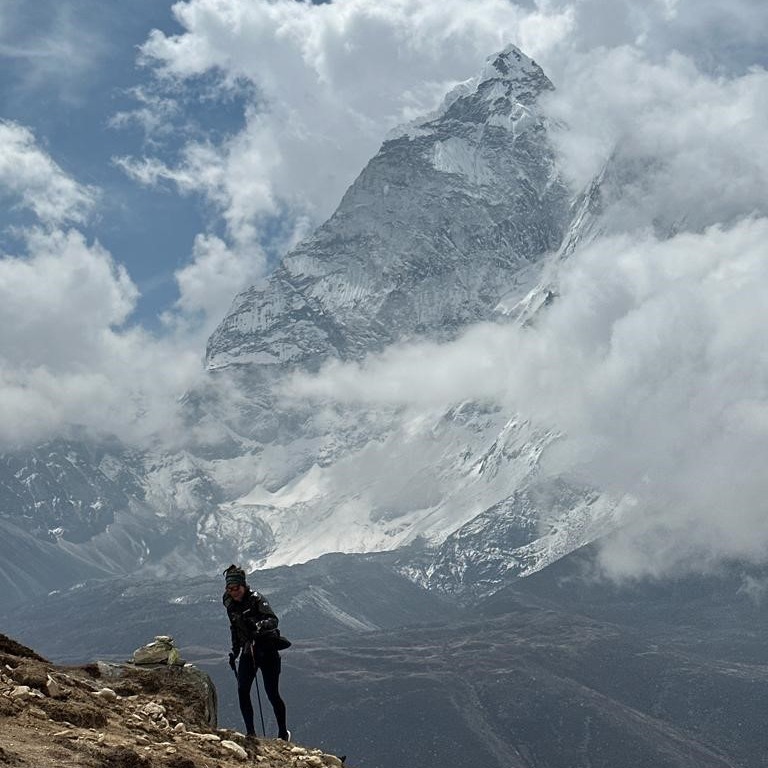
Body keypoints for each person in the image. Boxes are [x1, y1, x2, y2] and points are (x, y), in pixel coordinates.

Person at [222, 564, 291, 741]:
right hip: (248, 650)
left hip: (267, 650)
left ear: (243, 585)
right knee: (242, 689)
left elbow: (273, 620)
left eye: (236, 588)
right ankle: (251, 733)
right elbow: (235, 628)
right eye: (230, 589)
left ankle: (283, 733)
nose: (233, 592)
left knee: (272, 693)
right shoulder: (229, 604)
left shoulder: (257, 599)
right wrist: (235, 652)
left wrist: (258, 625)